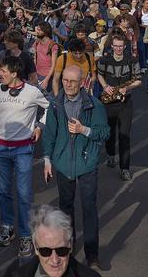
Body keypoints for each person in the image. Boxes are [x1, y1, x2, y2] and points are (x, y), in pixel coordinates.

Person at [41, 65, 109, 270]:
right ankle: (67, 249)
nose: (68, 84)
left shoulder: (94, 105)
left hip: (87, 163)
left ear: (82, 83)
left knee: (89, 208)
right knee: (65, 208)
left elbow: (104, 132)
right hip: (63, 164)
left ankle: (92, 256)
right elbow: (49, 134)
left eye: (73, 81)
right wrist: (47, 160)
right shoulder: (55, 104)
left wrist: (84, 129)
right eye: (65, 80)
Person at [0, 55, 49, 258]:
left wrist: (39, 126)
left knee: (24, 194)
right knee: (3, 192)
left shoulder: (32, 92)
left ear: (14, 73)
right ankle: (7, 226)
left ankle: (25, 235)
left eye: (3, 71)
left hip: (23, 150)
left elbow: (49, 107)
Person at [95, 34, 140, 180]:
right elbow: (99, 74)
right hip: (109, 102)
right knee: (110, 132)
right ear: (112, 46)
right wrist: (105, 86)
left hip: (125, 102)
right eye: (116, 46)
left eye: (121, 46)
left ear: (124, 46)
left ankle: (124, 168)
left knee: (124, 136)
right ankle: (110, 155)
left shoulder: (132, 60)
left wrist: (127, 88)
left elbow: (138, 80)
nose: (118, 49)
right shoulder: (105, 60)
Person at [2, 205, 80, 277]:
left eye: (61, 251)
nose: (55, 260)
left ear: (70, 245)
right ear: (36, 247)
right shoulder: (14, 274)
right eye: (45, 251)